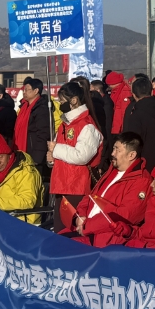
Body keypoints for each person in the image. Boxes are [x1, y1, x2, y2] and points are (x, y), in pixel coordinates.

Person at [68, 132, 152, 246]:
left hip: (106, 239)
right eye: (113, 148)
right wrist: (80, 217)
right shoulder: (112, 171)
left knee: (59, 248)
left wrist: (88, 225)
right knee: (50, 241)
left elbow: (124, 216)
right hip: (85, 229)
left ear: (131, 155)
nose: (113, 153)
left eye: (117, 150)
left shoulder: (142, 181)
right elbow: (90, 197)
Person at [47, 81, 104, 231]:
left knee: (73, 230)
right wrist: (52, 157)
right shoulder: (64, 125)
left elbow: (82, 156)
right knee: (60, 229)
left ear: (74, 100)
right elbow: (58, 151)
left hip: (77, 185)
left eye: (62, 101)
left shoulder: (87, 125)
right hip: (61, 183)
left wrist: (56, 149)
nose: (60, 104)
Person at [0, 130, 44, 225]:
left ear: (9, 155)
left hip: (23, 223)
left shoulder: (25, 171)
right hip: (1, 219)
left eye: (0, 156)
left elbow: (27, 201)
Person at [122, 76, 155, 171]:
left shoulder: (135, 116)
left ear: (134, 95)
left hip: (142, 167)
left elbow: (131, 145)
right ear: (151, 92)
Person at [13, 77, 51, 179]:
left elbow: (43, 134)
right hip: (23, 151)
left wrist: (37, 158)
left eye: (27, 90)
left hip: (33, 154)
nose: (24, 92)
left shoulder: (41, 109)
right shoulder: (24, 107)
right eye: (24, 90)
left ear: (36, 91)